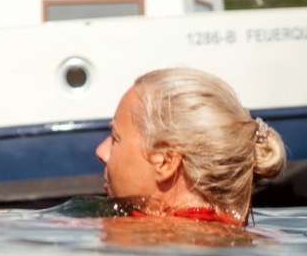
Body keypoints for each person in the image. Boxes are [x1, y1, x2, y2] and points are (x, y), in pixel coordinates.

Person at [95, 68, 287, 226]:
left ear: (165, 161)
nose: (101, 151)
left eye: (115, 138)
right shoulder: (246, 233)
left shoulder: (137, 232)